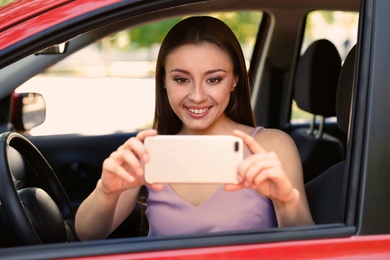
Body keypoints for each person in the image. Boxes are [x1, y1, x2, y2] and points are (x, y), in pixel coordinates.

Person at [75, 16, 314, 240]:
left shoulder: (272, 146)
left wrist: (286, 201)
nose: (197, 96)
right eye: (181, 79)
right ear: (164, 82)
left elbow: (310, 247)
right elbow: (88, 234)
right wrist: (106, 191)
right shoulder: (150, 152)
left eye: (214, 79)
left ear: (235, 80)